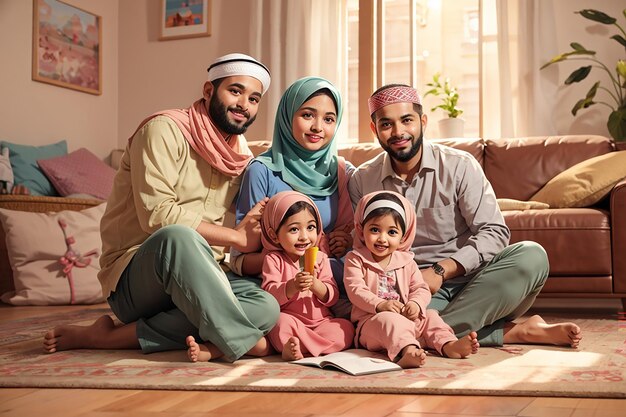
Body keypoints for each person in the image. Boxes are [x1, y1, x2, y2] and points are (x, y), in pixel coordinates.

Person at [43, 53, 280, 362]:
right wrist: (235, 237)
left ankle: (110, 338)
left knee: (265, 306)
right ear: (209, 91)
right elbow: (158, 216)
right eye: (235, 91)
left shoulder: (240, 153)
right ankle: (244, 341)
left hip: (203, 276)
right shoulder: (163, 130)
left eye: (254, 98)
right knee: (178, 237)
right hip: (137, 280)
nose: (243, 104)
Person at [348, 84, 582, 348]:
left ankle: (423, 333)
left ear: (423, 121)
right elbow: (362, 248)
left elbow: (494, 232)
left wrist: (440, 271)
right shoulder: (362, 180)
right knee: (393, 318)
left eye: (407, 120)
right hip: (409, 292)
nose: (399, 132)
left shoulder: (459, 165)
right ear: (374, 129)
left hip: (476, 282)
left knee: (532, 256)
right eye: (387, 124)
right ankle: (512, 332)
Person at [231, 76, 354, 317]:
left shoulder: (341, 172)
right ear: (287, 116)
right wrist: (288, 263)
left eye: (329, 119)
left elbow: (349, 245)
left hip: (328, 280)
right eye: (308, 115)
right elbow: (241, 259)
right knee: (258, 311)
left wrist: (344, 244)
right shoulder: (261, 170)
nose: (318, 127)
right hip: (270, 281)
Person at [190, 191, 354, 361]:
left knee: (345, 328)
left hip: (320, 323)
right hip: (290, 321)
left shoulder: (320, 258)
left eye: (311, 227)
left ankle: (297, 347)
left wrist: (316, 285)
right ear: (274, 235)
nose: (304, 236)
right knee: (279, 324)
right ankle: (297, 346)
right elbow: (271, 295)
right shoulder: (273, 259)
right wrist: (292, 287)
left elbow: (332, 296)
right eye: (294, 229)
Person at [345, 190, 479, 368]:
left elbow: (420, 288)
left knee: (431, 316)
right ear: (361, 230)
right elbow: (356, 290)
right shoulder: (356, 259)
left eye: (392, 232)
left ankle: (448, 345)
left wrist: (415, 304)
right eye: (375, 230)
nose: (382, 238)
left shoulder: (407, 261)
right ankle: (407, 351)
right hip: (372, 324)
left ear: (403, 236)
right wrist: (379, 304)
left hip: (408, 319)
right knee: (389, 321)